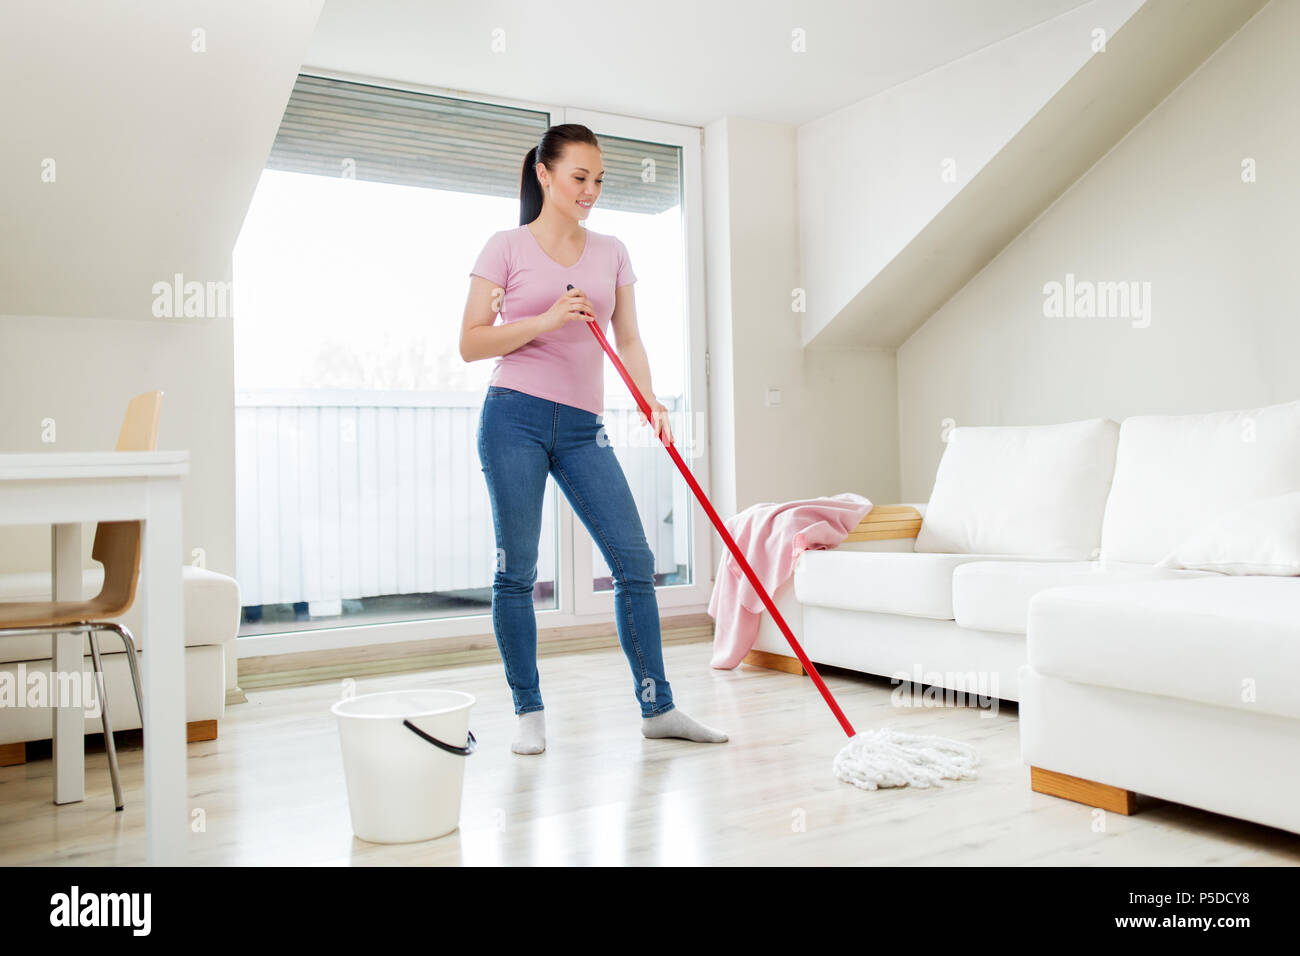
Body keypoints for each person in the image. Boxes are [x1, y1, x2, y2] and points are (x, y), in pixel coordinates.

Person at [460, 123, 728, 755]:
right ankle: (529, 713)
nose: (591, 190)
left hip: (583, 427)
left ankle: (656, 706)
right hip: (514, 417)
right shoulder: (505, 247)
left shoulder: (611, 250)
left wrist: (650, 396)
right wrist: (545, 319)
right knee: (517, 572)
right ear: (544, 175)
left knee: (634, 563)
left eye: (599, 180)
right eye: (579, 177)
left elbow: (628, 337)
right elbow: (471, 342)